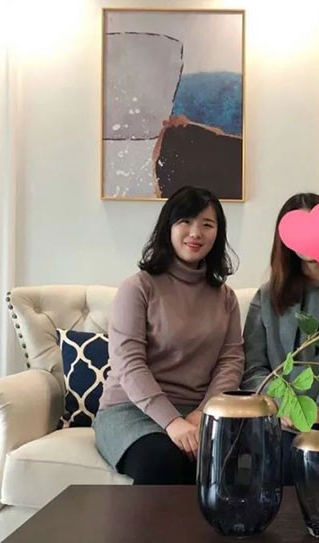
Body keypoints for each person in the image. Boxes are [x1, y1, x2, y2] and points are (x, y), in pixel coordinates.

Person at [93, 186, 244, 485]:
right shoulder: (138, 287)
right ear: (168, 227)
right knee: (162, 461)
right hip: (131, 411)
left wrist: (201, 415)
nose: (195, 233)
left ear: (218, 234)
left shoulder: (225, 297)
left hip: (199, 413)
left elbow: (231, 362)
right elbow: (128, 363)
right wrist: (172, 422)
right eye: (185, 221)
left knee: (232, 462)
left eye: (207, 224)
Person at [242, 193, 319, 485]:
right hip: (279, 416)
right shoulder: (267, 297)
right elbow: (253, 369)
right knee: (283, 451)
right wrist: (285, 405)